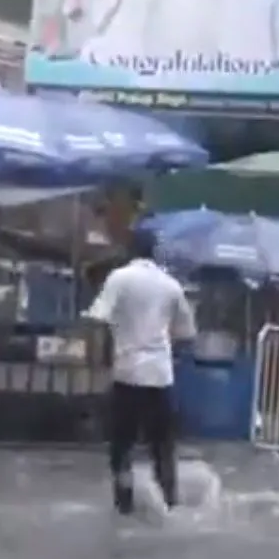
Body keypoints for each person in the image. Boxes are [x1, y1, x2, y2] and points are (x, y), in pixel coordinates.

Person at [84, 196, 196, 514]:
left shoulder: (119, 279)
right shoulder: (172, 286)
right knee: (163, 447)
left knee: (122, 446)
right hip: (160, 377)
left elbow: (98, 320)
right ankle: (171, 504)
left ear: (131, 250)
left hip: (128, 374)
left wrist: (99, 361)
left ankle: (125, 506)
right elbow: (187, 334)